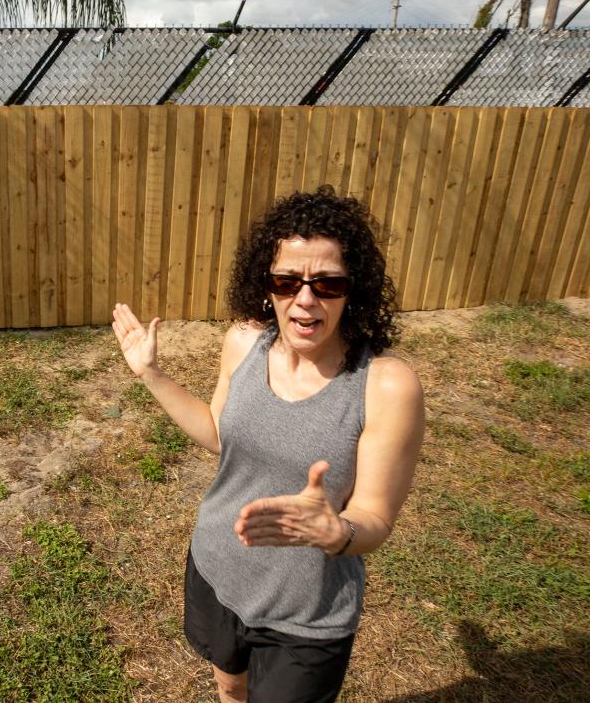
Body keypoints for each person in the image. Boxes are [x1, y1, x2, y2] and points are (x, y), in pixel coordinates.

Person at [111, 185, 424, 703]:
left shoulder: (386, 385)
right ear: (267, 285)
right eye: (287, 281)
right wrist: (151, 374)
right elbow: (217, 431)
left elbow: (375, 518)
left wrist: (335, 530)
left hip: (305, 612)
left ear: (354, 290)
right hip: (216, 567)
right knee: (229, 682)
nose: (304, 299)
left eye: (327, 284)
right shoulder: (243, 343)